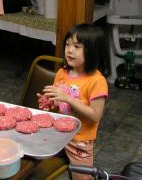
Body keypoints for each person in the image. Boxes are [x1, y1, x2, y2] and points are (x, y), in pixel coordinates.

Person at [38, 23, 109, 180]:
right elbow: (59, 103)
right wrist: (50, 102)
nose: (70, 50)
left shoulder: (97, 81)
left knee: (81, 178)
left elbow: (95, 115)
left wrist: (68, 98)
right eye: (68, 44)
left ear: (92, 51)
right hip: (59, 133)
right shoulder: (62, 73)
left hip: (80, 141)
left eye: (77, 46)